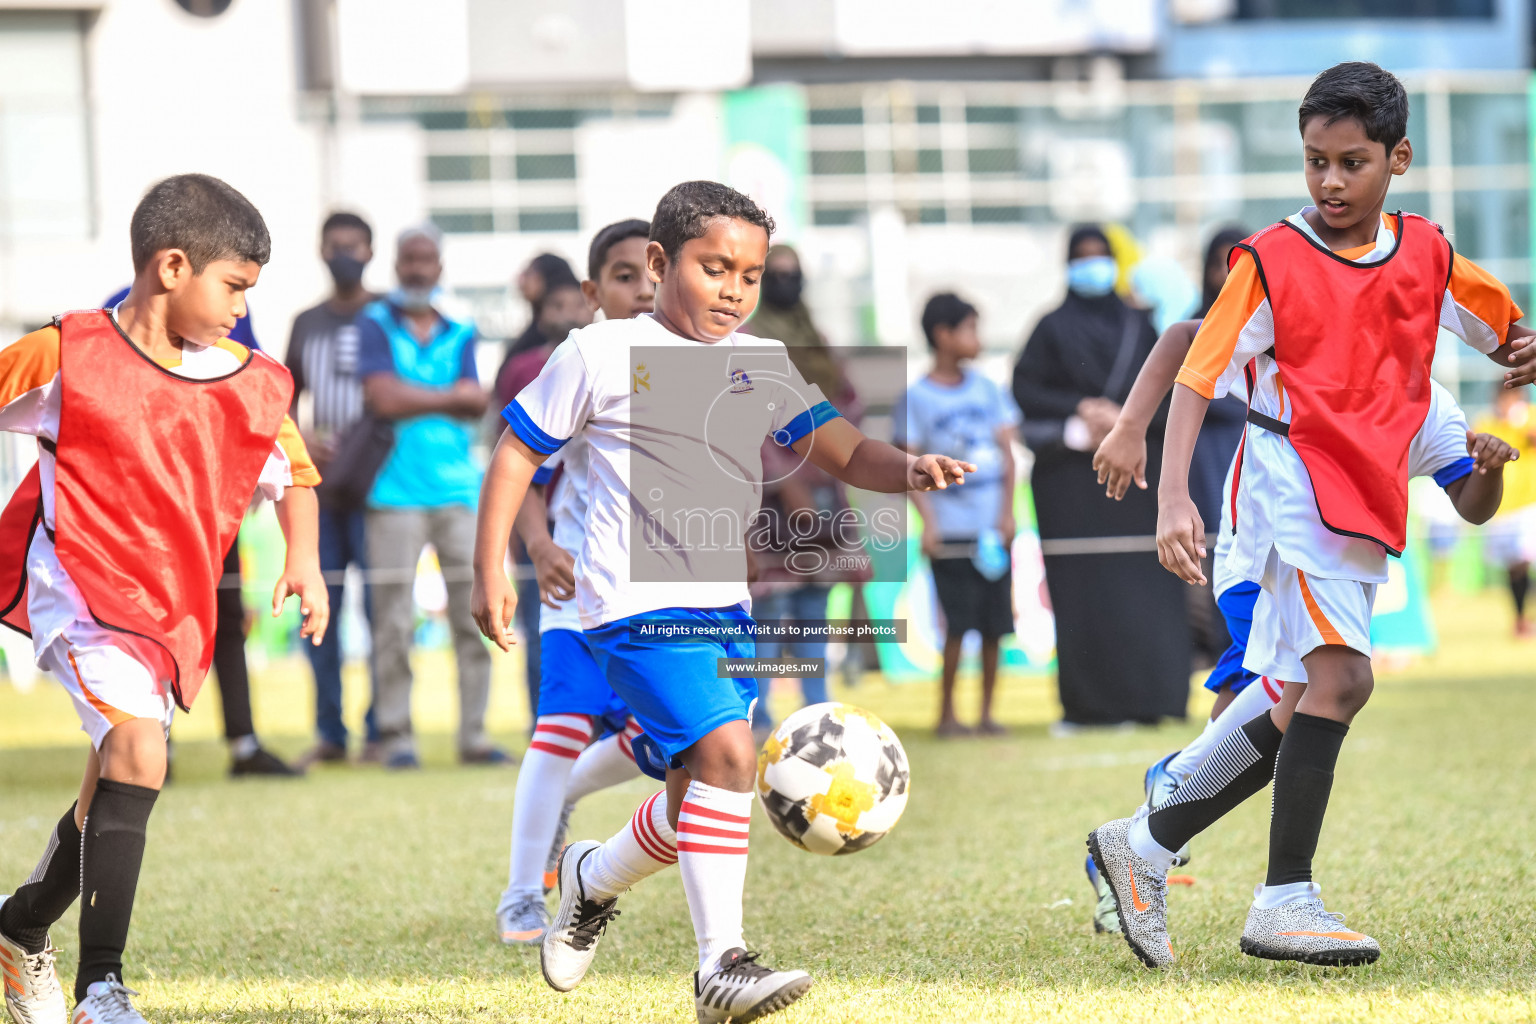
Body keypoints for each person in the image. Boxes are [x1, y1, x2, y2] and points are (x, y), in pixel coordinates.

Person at [471, 180, 973, 1023]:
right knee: (732, 756)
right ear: (662, 263)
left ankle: (591, 880)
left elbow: (844, 451)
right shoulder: (597, 352)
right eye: (715, 268)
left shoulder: (760, 361)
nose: (736, 288)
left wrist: (909, 468)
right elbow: (517, 453)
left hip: (724, 611)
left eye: (750, 272)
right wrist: (493, 568)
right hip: (628, 610)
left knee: (693, 796)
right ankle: (722, 968)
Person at [1088, 62, 1536, 971]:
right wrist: (1170, 491)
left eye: (1351, 163)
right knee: (1337, 683)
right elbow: (1195, 364)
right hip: (1288, 490)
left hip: (1355, 504)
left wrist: (1524, 362)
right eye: (1315, 162)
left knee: (1302, 697)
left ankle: (1148, 835)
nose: (1330, 182)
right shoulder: (1270, 260)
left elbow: (1510, 335)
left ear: (1397, 159)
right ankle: (1281, 897)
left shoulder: (1430, 260)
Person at [0, 173, 328, 1024]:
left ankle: (17, 929)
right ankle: (100, 988)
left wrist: (305, 559)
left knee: (110, 783)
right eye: (234, 288)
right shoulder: (64, 349)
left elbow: (292, 470)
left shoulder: (246, 381)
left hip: (171, 611)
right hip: (76, 591)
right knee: (141, 755)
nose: (241, 311)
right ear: (172, 266)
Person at [1088, 315, 1519, 934]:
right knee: (1319, 689)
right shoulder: (1314, 337)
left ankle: (1153, 831)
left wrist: (1488, 469)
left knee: (1297, 703)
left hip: (1339, 560)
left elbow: (1471, 505)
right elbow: (1186, 339)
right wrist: (1132, 427)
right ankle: (1194, 835)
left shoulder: (1429, 404)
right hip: (1266, 551)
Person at [495, 217, 655, 946]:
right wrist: (536, 544)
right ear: (593, 292)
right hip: (580, 590)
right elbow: (522, 466)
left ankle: (567, 800)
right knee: (558, 731)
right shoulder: (581, 361)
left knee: (666, 748)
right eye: (625, 277)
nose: (644, 290)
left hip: (668, 596)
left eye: (656, 274)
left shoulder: (705, 366)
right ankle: (522, 896)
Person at [99, 285, 300, 779]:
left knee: (226, 618)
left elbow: (248, 392)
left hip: (213, 503)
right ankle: (150, 744)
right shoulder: (114, 313)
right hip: (142, 510)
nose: (237, 304)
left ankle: (244, 742)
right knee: (147, 627)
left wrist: (247, 476)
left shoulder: (225, 311)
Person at [1011, 224, 1189, 729]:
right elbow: (1026, 391)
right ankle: (1088, 706)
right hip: (1071, 484)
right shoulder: (1049, 328)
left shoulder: (1141, 326)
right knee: (1083, 594)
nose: (1092, 267)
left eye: (1100, 256)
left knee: (1145, 589)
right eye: (1082, 257)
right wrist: (1081, 410)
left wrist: (1125, 420)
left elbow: (1175, 391)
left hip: (1137, 480)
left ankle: (1153, 699)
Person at [358, 225, 508, 770]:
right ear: (396, 265)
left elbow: (479, 403)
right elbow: (381, 397)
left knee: (476, 618)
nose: (418, 269)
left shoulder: (462, 326)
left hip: (458, 492)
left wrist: (417, 397)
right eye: (409, 259)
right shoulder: (374, 322)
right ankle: (396, 736)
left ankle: (474, 735)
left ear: (439, 267)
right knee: (392, 621)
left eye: (426, 260)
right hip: (391, 493)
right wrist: (449, 396)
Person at [742, 244, 867, 728]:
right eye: (776, 274)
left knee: (818, 597)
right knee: (771, 605)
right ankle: (759, 711)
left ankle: (817, 707)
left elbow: (846, 408)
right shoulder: (749, 342)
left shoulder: (818, 341)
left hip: (824, 489)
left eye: (794, 274)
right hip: (771, 498)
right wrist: (785, 479)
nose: (786, 282)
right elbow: (749, 423)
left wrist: (836, 465)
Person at [895, 293, 1018, 737]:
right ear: (943, 335)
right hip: (950, 534)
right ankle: (946, 714)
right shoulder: (916, 398)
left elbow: (1008, 457)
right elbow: (907, 467)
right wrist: (928, 523)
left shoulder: (988, 390)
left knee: (993, 626)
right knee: (957, 624)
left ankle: (986, 714)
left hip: (991, 533)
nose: (976, 338)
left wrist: (1006, 515)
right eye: (969, 328)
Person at [286, 211, 381, 764]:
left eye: (353, 244)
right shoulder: (306, 322)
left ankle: (379, 730)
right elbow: (286, 397)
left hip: (376, 487)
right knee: (318, 612)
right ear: (321, 250)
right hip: (321, 488)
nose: (343, 253)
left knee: (381, 613)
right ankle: (329, 732)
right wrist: (301, 443)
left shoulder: (386, 314)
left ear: (370, 250)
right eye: (334, 245)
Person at [496, 256, 593, 726]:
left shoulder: (602, 362)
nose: (568, 313)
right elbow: (510, 452)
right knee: (545, 622)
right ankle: (548, 719)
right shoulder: (524, 367)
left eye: (576, 303)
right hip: (540, 516)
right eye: (558, 305)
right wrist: (530, 536)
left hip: (593, 516)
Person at [1185, 228, 1251, 668]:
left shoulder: (1269, 324)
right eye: (1217, 265)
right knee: (1212, 552)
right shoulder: (1196, 325)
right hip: (1206, 461)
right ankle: (1215, 650)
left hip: (1258, 455)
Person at [1472, 383, 1536, 635]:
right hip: (1500, 508)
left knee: (1523, 560)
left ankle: (1522, 619)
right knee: (1513, 566)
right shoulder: (1486, 422)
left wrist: (1521, 425)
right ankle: (1520, 619)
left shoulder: (1529, 418)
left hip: (1528, 504)